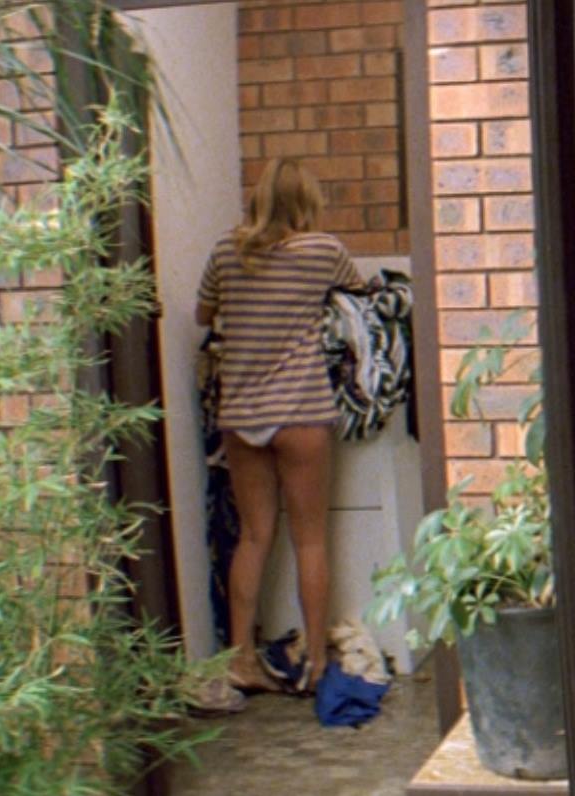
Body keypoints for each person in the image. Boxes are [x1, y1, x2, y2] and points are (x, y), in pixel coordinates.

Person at [196, 158, 360, 694]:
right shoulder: (323, 250)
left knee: (253, 536)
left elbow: (202, 315)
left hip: (243, 414)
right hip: (302, 410)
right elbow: (361, 295)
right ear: (305, 202)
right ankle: (316, 666)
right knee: (310, 540)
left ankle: (240, 660)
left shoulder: (226, 250)